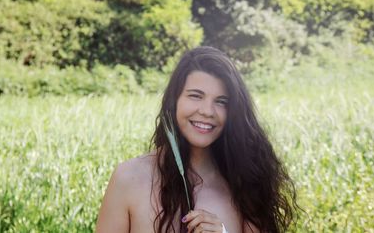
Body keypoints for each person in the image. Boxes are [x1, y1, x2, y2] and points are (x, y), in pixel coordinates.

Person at [96, 46, 298, 233]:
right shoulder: (129, 178)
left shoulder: (245, 184)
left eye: (221, 102)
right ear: (174, 101)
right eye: (195, 96)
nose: (207, 111)